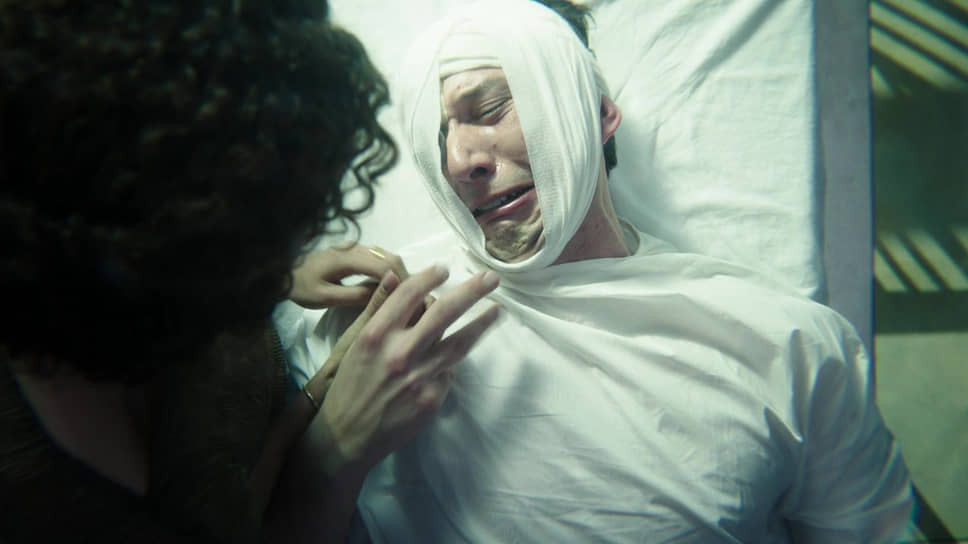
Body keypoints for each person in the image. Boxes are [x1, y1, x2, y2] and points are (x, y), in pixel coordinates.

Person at [298, 0, 915, 542]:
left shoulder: (787, 348)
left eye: (488, 107)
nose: (459, 160)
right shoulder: (376, 330)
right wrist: (333, 447)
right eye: (435, 138)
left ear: (596, 115)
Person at [0, 1, 501, 542]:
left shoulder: (163, 281)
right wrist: (336, 450)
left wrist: (275, 286)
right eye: (263, 215)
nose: (304, 235)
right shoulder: (36, 485)